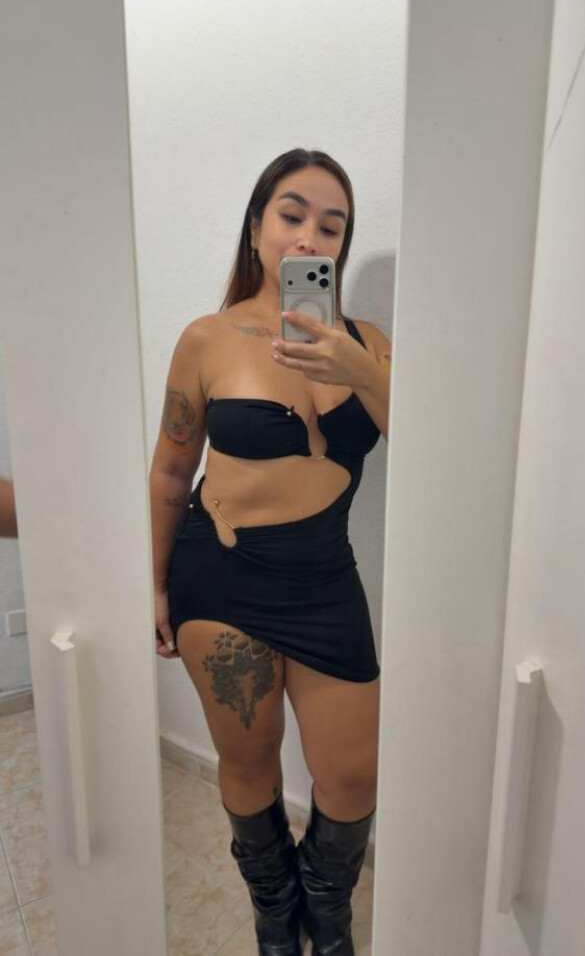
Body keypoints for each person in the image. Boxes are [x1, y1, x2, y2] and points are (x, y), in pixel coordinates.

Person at [149, 148, 391, 956]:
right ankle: (275, 920)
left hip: (325, 581)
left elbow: (435, 449)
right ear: (257, 228)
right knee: (250, 761)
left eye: (332, 225)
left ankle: (328, 915)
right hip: (221, 577)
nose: (310, 237)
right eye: (292, 215)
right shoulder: (208, 338)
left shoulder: (370, 344)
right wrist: (154, 582)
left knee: (353, 774)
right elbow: (171, 469)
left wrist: (361, 371)